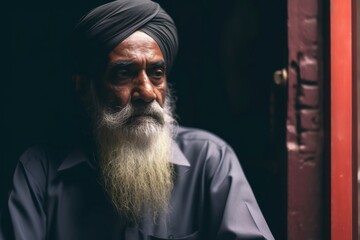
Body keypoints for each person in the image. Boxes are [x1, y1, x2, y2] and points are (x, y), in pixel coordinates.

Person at [0, 0, 274, 239]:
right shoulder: (39, 173)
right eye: (123, 73)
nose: (146, 91)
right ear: (84, 88)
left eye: (156, 73)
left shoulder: (210, 160)